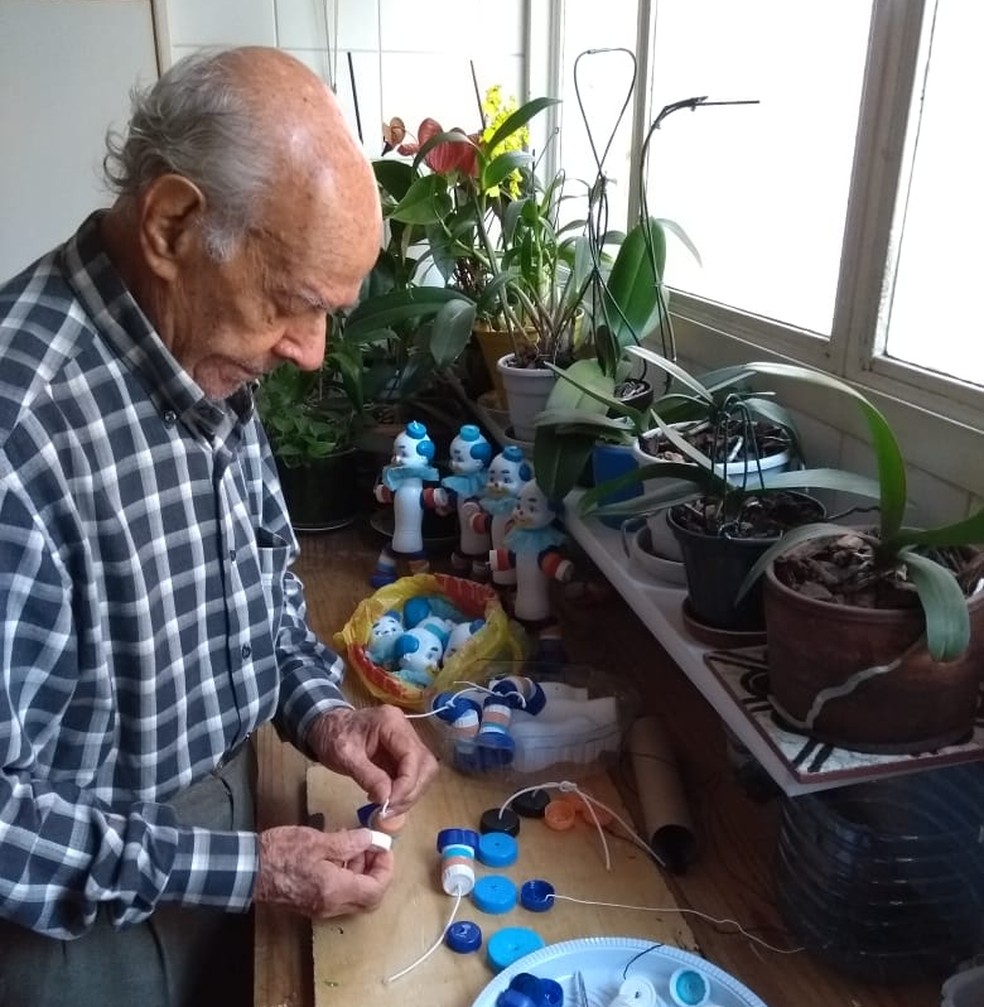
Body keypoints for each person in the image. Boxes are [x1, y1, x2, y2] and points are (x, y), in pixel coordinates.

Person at [0, 46, 438, 1007]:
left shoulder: (202, 342)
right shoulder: (20, 432)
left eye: (332, 313)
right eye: (295, 303)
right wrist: (249, 869)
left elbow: (263, 598)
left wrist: (328, 712)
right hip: (73, 936)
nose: (314, 354)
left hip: (229, 833)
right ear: (173, 223)